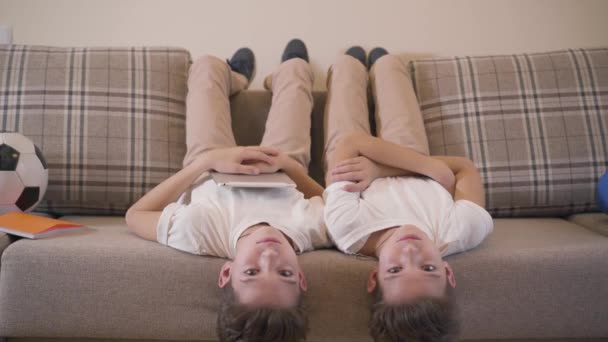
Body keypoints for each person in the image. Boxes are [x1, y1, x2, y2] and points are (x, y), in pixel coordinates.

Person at [125, 39, 330, 342]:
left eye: (251, 273)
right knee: (298, 71)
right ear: (301, 278)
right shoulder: (311, 229)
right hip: (281, 165)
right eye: (284, 274)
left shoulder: (198, 232)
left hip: (212, 163)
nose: (270, 257)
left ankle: (235, 78)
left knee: (206, 66)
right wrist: (291, 167)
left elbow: (135, 215)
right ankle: (285, 74)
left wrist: (204, 163)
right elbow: (328, 199)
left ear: (226, 273)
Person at [322, 46, 494, 341]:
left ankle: (348, 65)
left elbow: (351, 143)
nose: (410, 251)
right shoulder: (462, 230)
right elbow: (464, 168)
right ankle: (383, 64)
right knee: (401, 114)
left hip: (383, 165)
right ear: (448, 273)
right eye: (428, 267)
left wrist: (384, 170)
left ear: (375, 277)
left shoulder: (348, 229)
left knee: (344, 119)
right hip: (412, 155)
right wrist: (416, 166)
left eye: (396, 269)